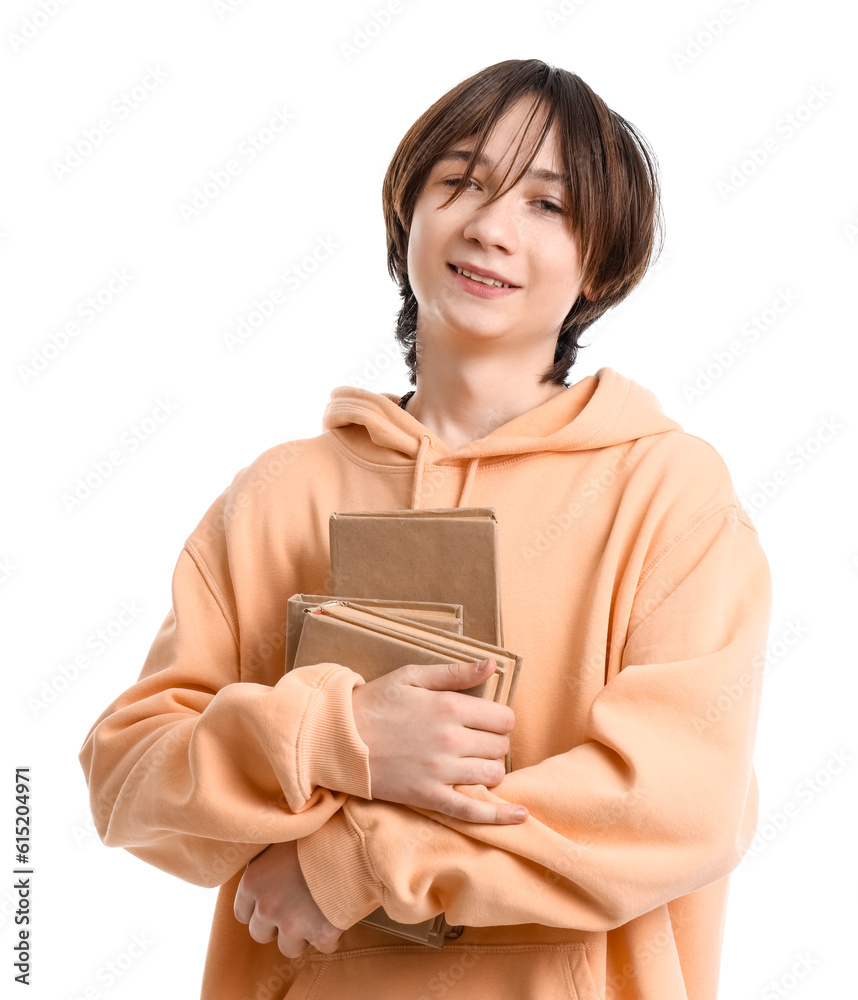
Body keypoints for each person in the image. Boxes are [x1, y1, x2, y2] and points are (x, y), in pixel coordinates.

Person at [79, 58, 772, 999]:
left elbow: (677, 805)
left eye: (547, 206)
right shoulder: (280, 495)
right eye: (461, 182)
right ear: (408, 212)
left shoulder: (667, 493)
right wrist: (336, 734)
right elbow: (126, 782)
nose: (490, 227)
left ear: (601, 263)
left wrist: (354, 862)